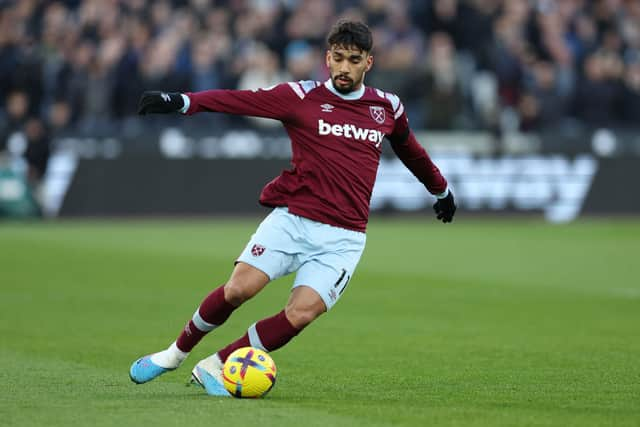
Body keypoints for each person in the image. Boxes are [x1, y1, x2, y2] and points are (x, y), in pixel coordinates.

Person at [129, 20, 456, 397]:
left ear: (369, 62)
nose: (344, 67)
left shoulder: (387, 108)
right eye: (338, 58)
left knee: (301, 314)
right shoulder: (300, 97)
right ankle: (174, 354)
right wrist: (181, 102)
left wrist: (440, 189)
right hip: (293, 220)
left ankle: (217, 365)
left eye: (354, 59)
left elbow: (410, 150)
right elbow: (238, 101)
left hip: (345, 237)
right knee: (239, 290)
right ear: (327, 58)